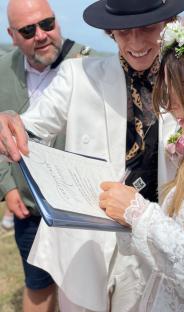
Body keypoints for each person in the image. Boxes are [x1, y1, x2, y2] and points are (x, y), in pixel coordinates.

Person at [0, 0, 184, 311]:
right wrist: (9, 121)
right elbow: (31, 125)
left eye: (147, 29)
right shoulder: (78, 75)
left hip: (154, 241)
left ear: (168, 23)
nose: (136, 43)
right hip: (86, 243)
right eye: (124, 32)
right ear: (110, 32)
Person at [99, 21, 184, 311]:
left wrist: (144, 215)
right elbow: (174, 262)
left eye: (180, 92)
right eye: (166, 91)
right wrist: (126, 220)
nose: (170, 105)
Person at [0, 0, 101, 311]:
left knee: (83, 293)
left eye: (47, 23)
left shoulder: (91, 65)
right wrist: (7, 186)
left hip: (83, 209)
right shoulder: (3, 70)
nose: (42, 35)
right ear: (12, 35)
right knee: (38, 287)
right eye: (28, 30)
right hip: (29, 209)